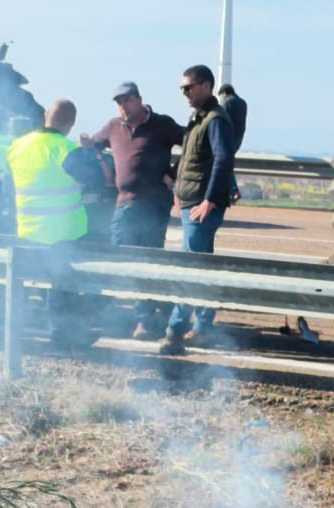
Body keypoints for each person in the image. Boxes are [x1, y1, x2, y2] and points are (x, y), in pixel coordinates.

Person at [85, 81, 182, 338]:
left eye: (127, 100)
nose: (123, 107)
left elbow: (194, 143)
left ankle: (146, 319)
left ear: (139, 99)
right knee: (119, 254)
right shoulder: (113, 127)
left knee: (148, 259)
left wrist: (174, 173)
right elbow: (93, 143)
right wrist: (91, 151)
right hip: (125, 202)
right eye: (119, 102)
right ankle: (155, 307)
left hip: (154, 203)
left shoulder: (162, 124)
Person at [159, 64, 236, 356]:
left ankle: (175, 331)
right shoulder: (198, 119)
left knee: (190, 269)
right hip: (192, 203)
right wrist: (174, 179)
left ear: (205, 86)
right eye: (182, 88)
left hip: (200, 208)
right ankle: (203, 326)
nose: (184, 93)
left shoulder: (215, 120)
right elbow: (192, 156)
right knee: (201, 266)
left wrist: (210, 200)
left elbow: (222, 159)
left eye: (188, 87)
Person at [7, 100, 98, 348]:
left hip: (27, 230)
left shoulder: (17, 146)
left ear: (46, 115)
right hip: (63, 233)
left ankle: (16, 336)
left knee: (23, 284)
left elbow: (7, 187)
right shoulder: (65, 148)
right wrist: (90, 152)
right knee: (64, 287)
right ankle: (63, 336)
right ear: (71, 124)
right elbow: (95, 179)